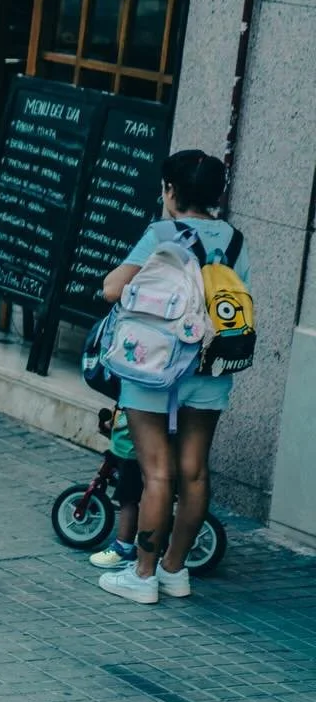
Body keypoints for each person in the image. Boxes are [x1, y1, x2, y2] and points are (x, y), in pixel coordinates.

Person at [96, 150, 251, 605]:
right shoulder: (235, 240)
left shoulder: (162, 233)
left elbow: (112, 287)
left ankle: (141, 576)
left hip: (154, 366)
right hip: (209, 367)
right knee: (195, 471)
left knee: (157, 471)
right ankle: (174, 570)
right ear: (217, 193)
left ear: (169, 190)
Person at [89, 406, 143, 568]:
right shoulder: (126, 402)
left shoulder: (137, 402)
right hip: (123, 451)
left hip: (130, 456)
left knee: (128, 499)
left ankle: (123, 547)